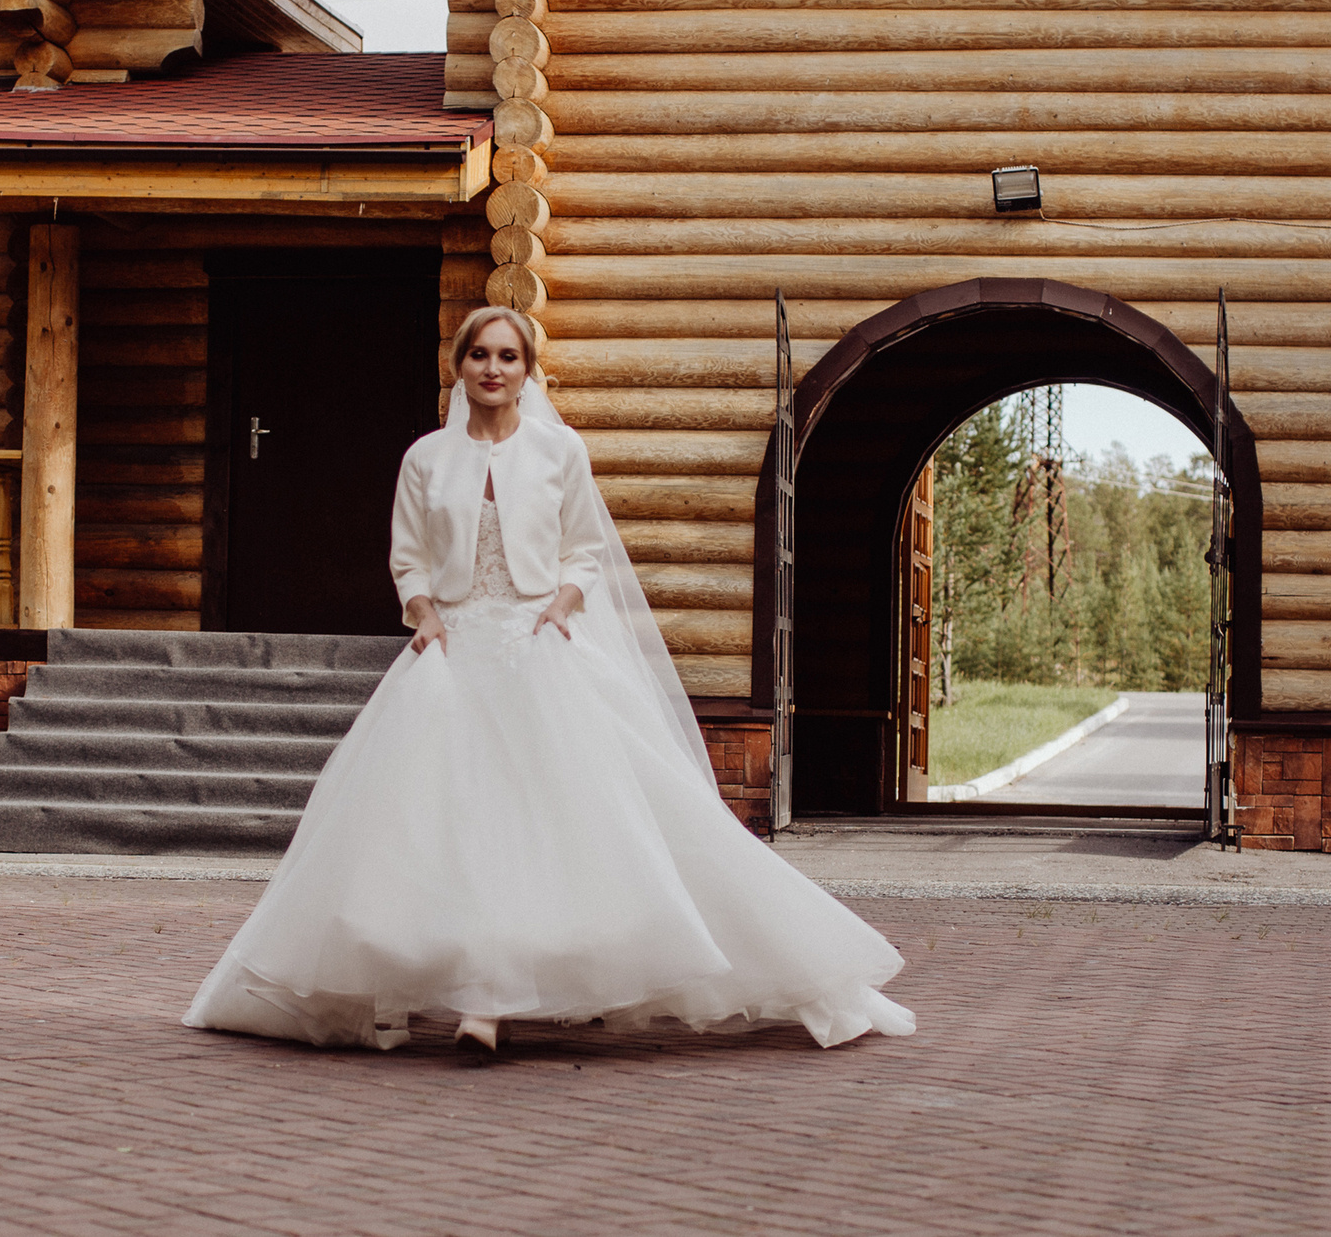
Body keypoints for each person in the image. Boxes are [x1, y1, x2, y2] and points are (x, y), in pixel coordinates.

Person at [184, 305, 915, 1052]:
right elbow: (407, 555)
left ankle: (497, 1004)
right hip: (454, 651)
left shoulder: (559, 451)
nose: (493, 369)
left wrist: (565, 603)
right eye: (480, 355)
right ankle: (445, 993)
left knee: (573, 817)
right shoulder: (425, 459)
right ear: (460, 366)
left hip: (538, 644)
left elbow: (584, 549)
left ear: (527, 370)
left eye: (508, 356)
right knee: (436, 824)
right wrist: (423, 611)